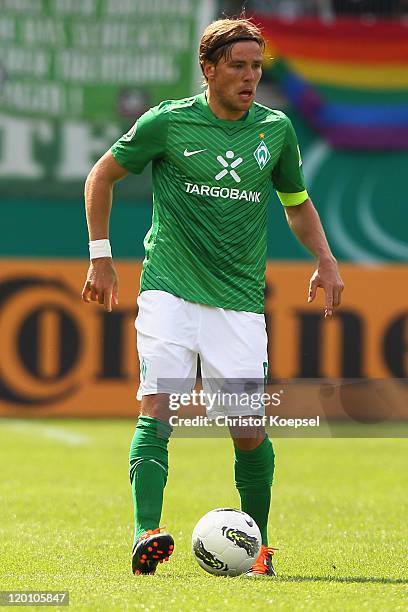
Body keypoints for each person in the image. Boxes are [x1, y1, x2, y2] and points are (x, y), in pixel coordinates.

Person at [82, 16, 344, 578]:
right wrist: (100, 255)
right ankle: (145, 533)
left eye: (257, 67)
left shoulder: (275, 131)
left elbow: (296, 203)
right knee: (159, 405)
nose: (250, 77)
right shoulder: (169, 123)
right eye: (238, 66)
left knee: (248, 430)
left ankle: (260, 549)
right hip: (169, 290)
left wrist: (324, 257)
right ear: (208, 69)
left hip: (240, 301)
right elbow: (101, 175)